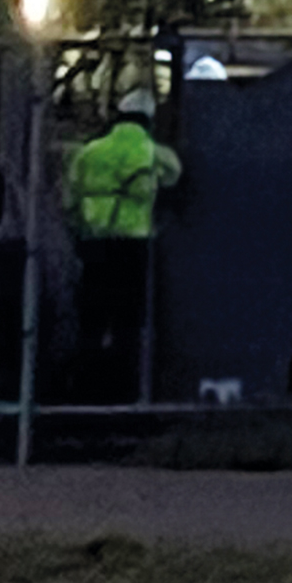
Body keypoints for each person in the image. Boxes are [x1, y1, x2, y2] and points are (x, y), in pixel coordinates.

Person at [64, 91, 186, 398]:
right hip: (133, 246)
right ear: (148, 119)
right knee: (129, 321)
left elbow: (68, 200)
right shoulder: (151, 152)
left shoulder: (89, 151)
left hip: (93, 244)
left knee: (91, 318)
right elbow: (175, 175)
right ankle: (126, 387)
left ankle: (84, 385)